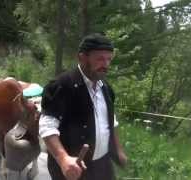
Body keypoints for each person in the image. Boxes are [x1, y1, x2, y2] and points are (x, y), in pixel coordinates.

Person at [39, 33, 127, 180]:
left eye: (109, 59)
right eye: (100, 59)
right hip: (73, 168)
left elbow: (111, 121)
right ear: (82, 57)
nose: (105, 65)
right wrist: (63, 159)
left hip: (103, 166)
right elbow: (47, 126)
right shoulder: (61, 85)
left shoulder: (106, 88)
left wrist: (118, 151)